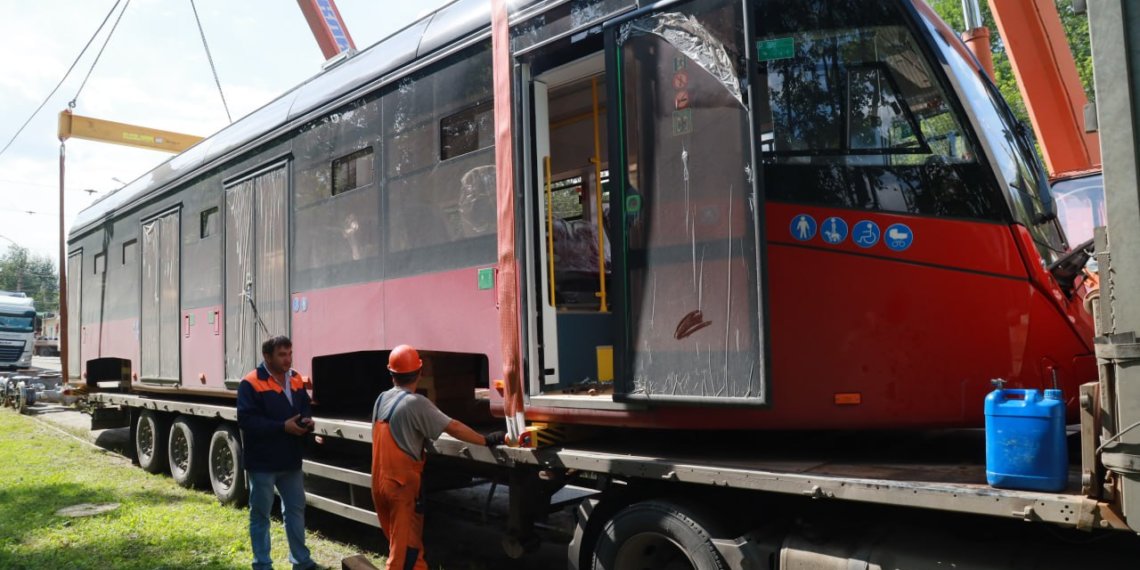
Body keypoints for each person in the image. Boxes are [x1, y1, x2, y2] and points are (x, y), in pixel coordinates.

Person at [371, 344, 506, 570]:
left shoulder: (381, 398)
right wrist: (486, 440)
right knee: (401, 555)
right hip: (401, 486)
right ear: (420, 372)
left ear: (391, 373)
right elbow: (453, 427)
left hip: (379, 483)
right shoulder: (416, 403)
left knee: (408, 547)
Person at [237, 335, 317, 570]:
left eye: (290, 353)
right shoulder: (250, 383)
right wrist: (283, 427)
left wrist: (306, 422)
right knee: (260, 515)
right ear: (267, 356)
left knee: (295, 510)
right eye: (282, 355)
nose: (287, 359)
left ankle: (301, 561)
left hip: (291, 461)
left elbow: (304, 406)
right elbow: (246, 421)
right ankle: (262, 564)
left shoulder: (295, 379)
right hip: (263, 463)